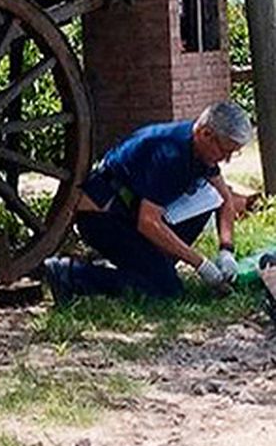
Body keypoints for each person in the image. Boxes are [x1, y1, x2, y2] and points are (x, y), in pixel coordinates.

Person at [43, 101, 255, 302]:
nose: (225, 159)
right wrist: (199, 263)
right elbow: (147, 222)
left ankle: (152, 264)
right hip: (101, 219)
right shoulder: (171, 154)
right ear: (206, 133)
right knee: (166, 289)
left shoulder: (199, 150)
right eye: (224, 151)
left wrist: (226, 250)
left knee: (207, 203)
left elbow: (225, 198)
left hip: (131, 214)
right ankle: (70, 273)